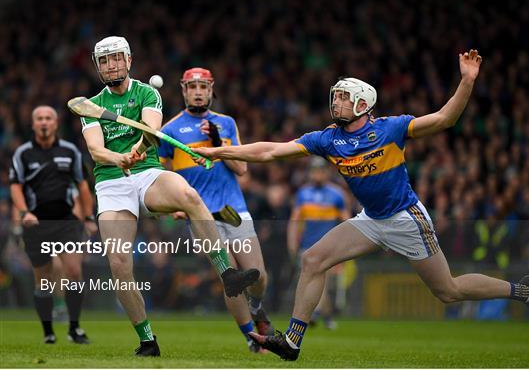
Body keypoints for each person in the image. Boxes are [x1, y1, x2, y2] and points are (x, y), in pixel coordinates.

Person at [192, 50, 529, 360]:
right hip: (371, 220)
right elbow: (269, 151)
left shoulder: (392, 129)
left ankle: (523, 290)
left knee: (447, 290)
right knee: (313, 259)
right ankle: (293, 342)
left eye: (344, 98)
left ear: (362, 104)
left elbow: (445, 118)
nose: (336, 103)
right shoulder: (329, 138)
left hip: (406, 219)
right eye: (336, 97)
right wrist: (220, 151)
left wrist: (466, 81)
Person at [80, 36, 259, 356]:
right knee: (119, 264)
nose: (112, 65)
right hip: (111, 182)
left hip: (147, 173)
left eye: (117, 59)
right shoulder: (91, 105)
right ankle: (147, 339)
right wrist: (117, 158)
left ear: (129, 60)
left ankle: (227, 274)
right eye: (105, 61)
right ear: (98, 66)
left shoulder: (147, 92)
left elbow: (150, 132)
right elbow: (96, 150)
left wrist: (135, 151)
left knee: (189, 195)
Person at [158, 67, 274, 353]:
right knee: (230, 277)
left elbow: (242, 168)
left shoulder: (226, 124)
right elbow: (159, 176)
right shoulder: (169, 130)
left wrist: (217, 145)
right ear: (184, 90)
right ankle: (251, 336)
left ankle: (256, 306)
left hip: (233, 210)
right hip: (200, 216)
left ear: (211, 90)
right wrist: (173, 206)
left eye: (203, 87)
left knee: (258, 276)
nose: (198, 92)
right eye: (192, 87)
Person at [9, 105, 98, 344]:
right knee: (44, 279)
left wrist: (88, 218)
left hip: (66, 222)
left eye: (49, 118)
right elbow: (15, 186)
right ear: (33, 124)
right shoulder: (23, 154)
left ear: (56, 123)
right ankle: (48, 331)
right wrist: (24, 212)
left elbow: (82, 186)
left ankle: (75, 328)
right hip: (36, 223)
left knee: (73, 271)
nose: (44, 122)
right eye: (39, 118)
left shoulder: (70, 151)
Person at [287, 157, 349, 329]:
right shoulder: (303, 194)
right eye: (314, 171)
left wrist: (345, 247)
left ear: (327, 172)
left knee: (322, 280)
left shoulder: (337, 194)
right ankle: (326, 316)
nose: (318, 174)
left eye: (321, 171)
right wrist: (292, 242)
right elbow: (295, 219)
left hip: (328, 246)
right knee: (317, 282)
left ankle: (314, 313)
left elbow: (347, 222)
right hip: (307, 246)